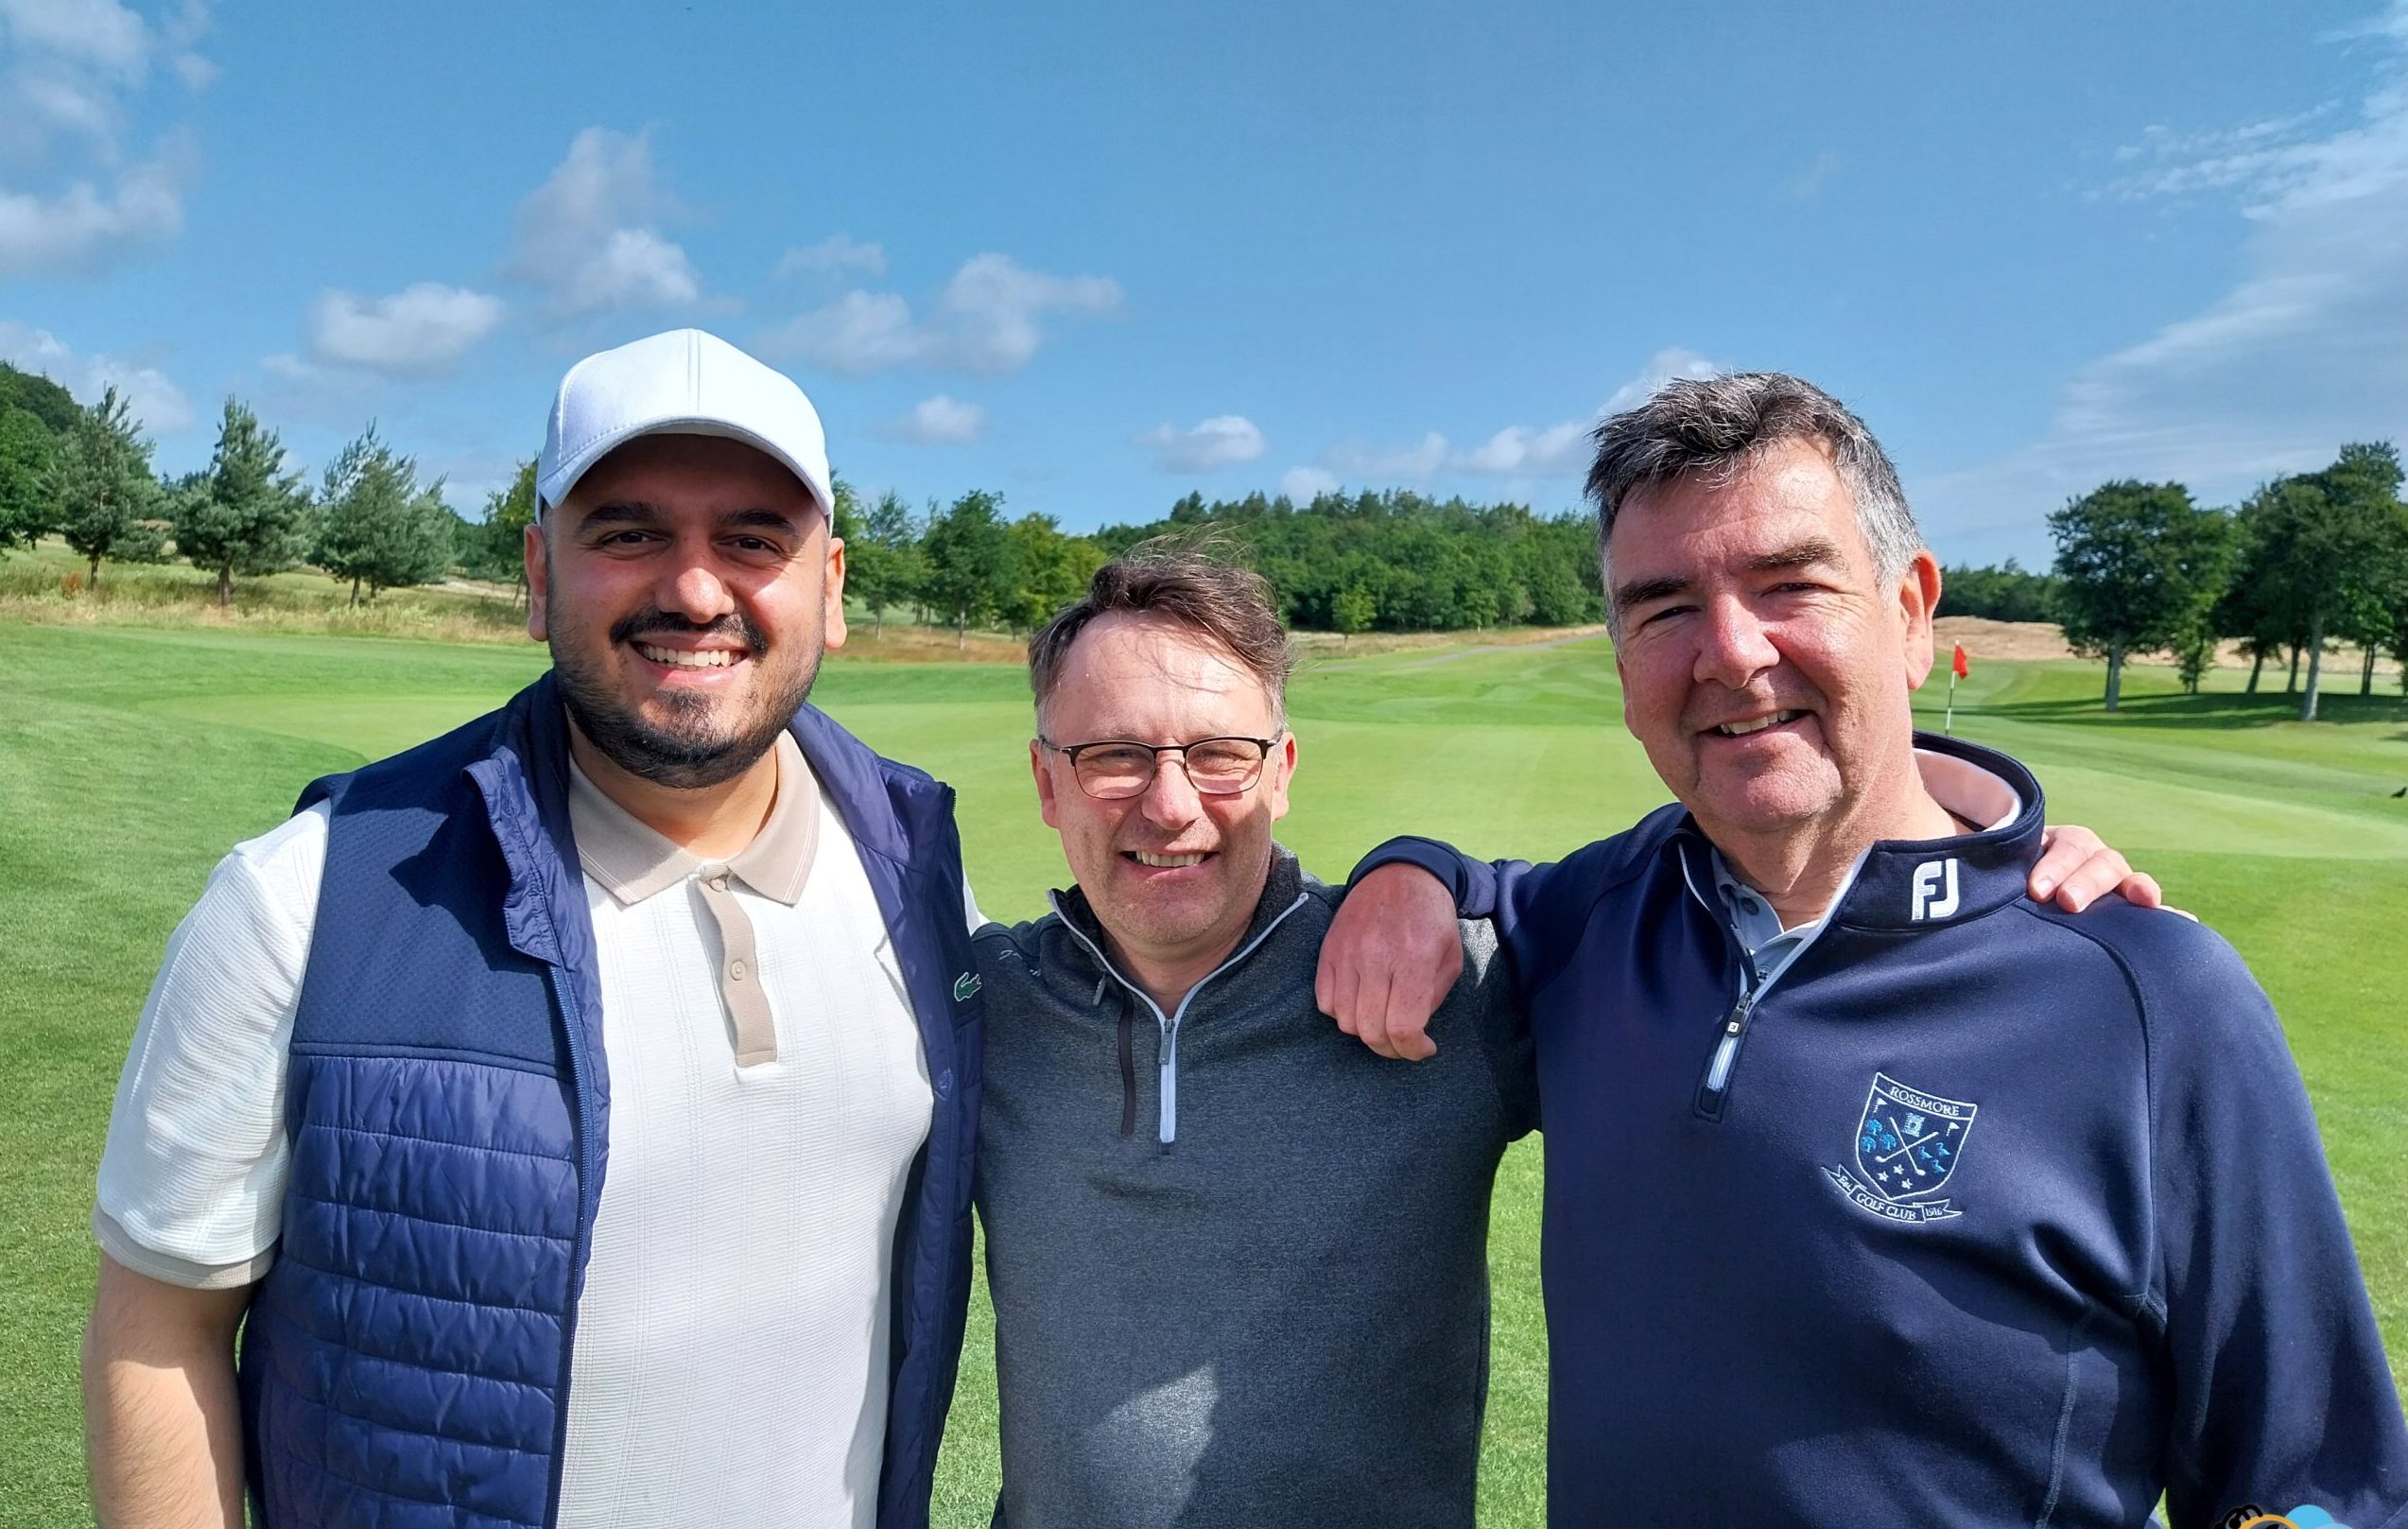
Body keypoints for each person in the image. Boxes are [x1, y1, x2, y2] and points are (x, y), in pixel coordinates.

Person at [1321, 373, 2408, 1526]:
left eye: (1791, 584)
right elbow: (1478, 894)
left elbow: (2317, 1486)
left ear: (1910, 612)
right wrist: (1409, 867)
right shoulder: (1593, 917)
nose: (1730, 655)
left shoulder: (2154, 999)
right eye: (1664, 606)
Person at [970, 542, 2154, 1528]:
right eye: (1113, 756)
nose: (1169, 804)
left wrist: (2000, 874)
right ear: (1046, 784)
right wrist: (1424, 863)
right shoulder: (979, 1008)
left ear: (1279, 770)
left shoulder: (1454, 987)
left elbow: (1763, 915)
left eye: (1216, 754)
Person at [79, 329, 982, 1529]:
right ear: (539, 572)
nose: (696, 589)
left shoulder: (927, 888)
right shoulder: (304, 897)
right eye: (629, 532)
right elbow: (160, 1327)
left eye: (754, 539)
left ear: (832, 587)